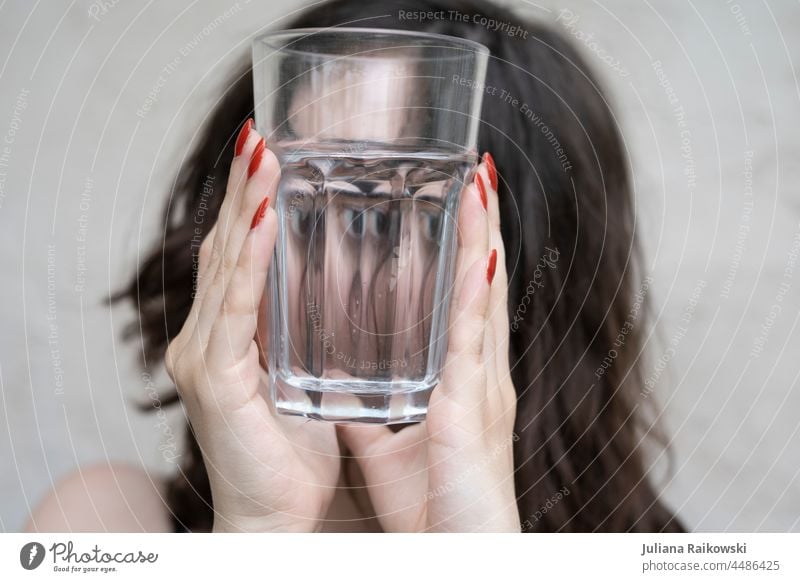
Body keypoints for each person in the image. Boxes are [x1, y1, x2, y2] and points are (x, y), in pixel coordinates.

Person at [26, 0, 684, 533]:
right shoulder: (103, 528)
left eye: (403, 215)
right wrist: (259, 535)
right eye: (297, 199)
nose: (318, 264)